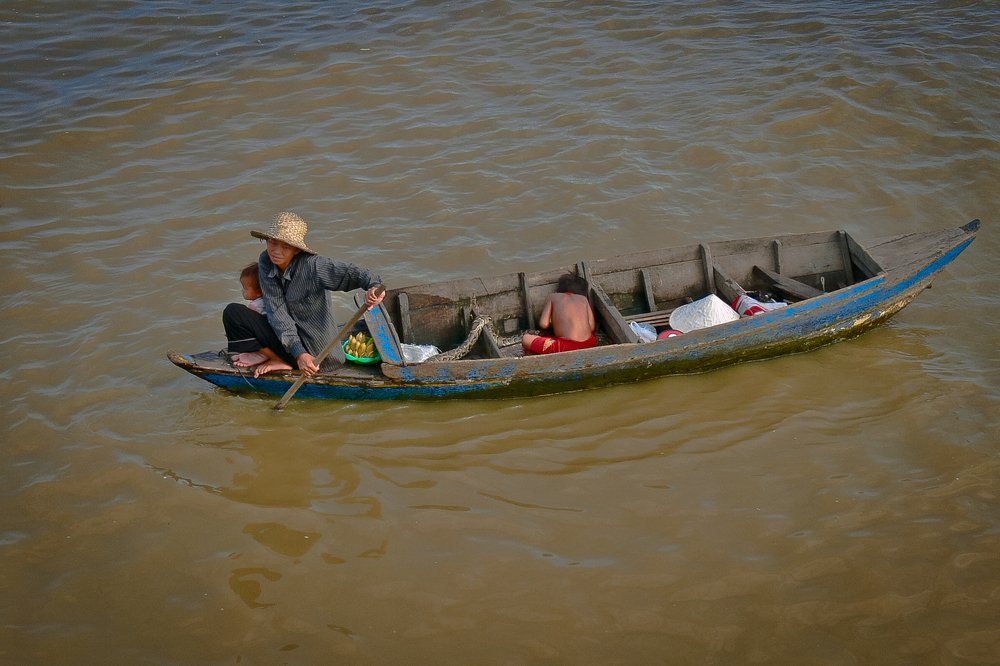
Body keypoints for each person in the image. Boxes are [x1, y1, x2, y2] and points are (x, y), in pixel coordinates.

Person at [222, 211, 385, 378]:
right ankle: (276, 358)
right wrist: (298, 352)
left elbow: (355, 274)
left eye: (285, 246)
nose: (276, 251)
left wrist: (374, 287)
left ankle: (279, 360)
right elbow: (277, 311)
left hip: (317, 357)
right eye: (273, 242)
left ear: (296, 250)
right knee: (234, 313)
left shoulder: (313, 266)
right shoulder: (266, 261)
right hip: (292, 347)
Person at [521, 273, 598, 355]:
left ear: (559, 289)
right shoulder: (583, 299)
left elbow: (543, 324)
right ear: (582, 292)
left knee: (526, 339)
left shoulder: (553, 297)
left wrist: (556, 322)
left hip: (565, 347)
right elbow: (591, 327)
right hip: (589, 343)